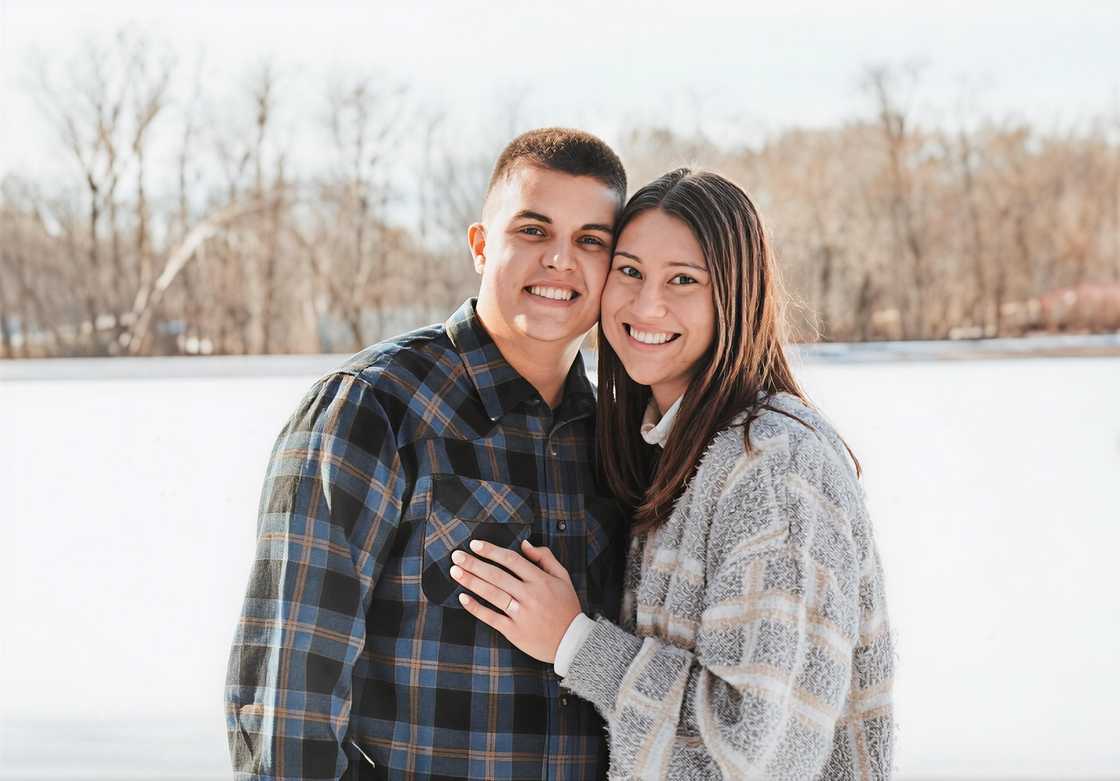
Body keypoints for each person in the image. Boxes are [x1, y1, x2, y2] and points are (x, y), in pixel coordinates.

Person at [452, 168, 895, 778]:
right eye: (629, 271)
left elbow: (755, 754)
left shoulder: (771, 465)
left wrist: (574, 643)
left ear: (735, 296)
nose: (646, 304)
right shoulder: (669, 449)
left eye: (683, 280)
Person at [225, 128, 629, 780]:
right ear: (480, 245)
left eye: (590, 240)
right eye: (533, 230)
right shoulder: (372, 407)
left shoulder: (617, 437)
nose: (560, 260)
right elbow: (289, 692)